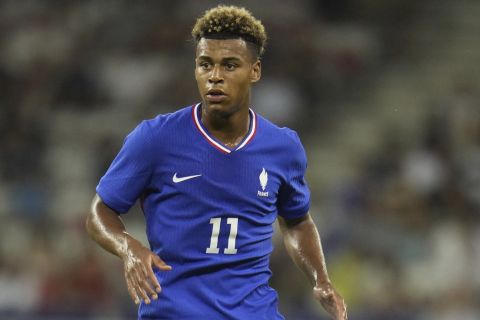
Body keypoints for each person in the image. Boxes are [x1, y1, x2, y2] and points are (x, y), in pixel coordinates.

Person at [86, 5, 347, 320]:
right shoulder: (155, 139)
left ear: (255, 70)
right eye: (205, 65)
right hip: (174, 313)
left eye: (229, 65)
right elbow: (99, 212)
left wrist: (320, 279)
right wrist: (128, 246)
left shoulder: (283, 147)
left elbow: (297, 221)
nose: (215, 77)